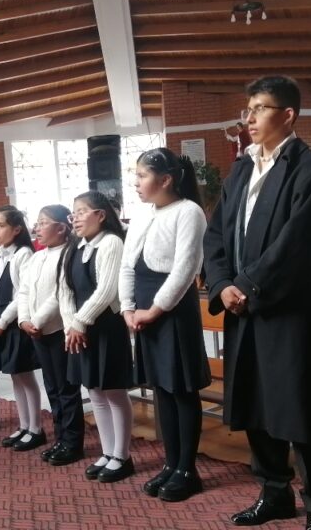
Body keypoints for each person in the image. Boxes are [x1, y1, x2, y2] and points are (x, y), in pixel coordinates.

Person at [203, 76, 311, 529]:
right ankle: (274, 492)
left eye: (260, 108)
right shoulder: (242, 169)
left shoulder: (310, 171)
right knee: (255, 403)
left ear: (288, 114)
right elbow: (216, 234)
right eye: (248, 108)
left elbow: (297, 244)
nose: (249, 117)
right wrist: (223, 284)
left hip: (288, 311)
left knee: (298, 408)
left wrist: (246, 286)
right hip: (242, 308)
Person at [121, 147, 208, 502]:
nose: (136, 182)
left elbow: (185, 269)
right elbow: (127, 265)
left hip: (172, 309)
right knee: (161, 388)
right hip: (144, 309)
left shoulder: (189, 212)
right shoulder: (143, 214)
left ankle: (188, 469)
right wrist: (127, 307)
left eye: (142, 175)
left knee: (181, 389)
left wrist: (155, 310)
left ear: (166, 179)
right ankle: (171, 463)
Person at [60, 191, 133, 482]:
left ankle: (122, 456)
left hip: (106, 327)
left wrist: (79, 322)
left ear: (100, 215)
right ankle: (107, 451)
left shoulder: (111, 242)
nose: (75, 218)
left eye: (81, 212)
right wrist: (70, 324)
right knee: (94, 391)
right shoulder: (75, 246)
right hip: (80, 330)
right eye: (73, 213)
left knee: (113, 391)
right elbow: (65, 290)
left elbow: (107, 290)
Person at [18, 205, 84, 465]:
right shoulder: (37, 257)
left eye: (43, 222)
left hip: (57, 330)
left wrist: (36, 321)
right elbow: (24, 290)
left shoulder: (68, 254)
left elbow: (60, 294)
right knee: (52, 387)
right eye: (37, 222)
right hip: (37, 331)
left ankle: (72, 442)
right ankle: (60, 437)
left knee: (66, 389)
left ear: (61, 228)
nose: (37, 228)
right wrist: (24, 319)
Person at [0, 206, 39, 450]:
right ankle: (24, 425)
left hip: (15, 323)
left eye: (1, 226)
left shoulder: (23, 254)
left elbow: (22, 295)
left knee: (25, 376)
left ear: (16, 230)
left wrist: (2, 321)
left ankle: (35, 428)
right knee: (15, 376)